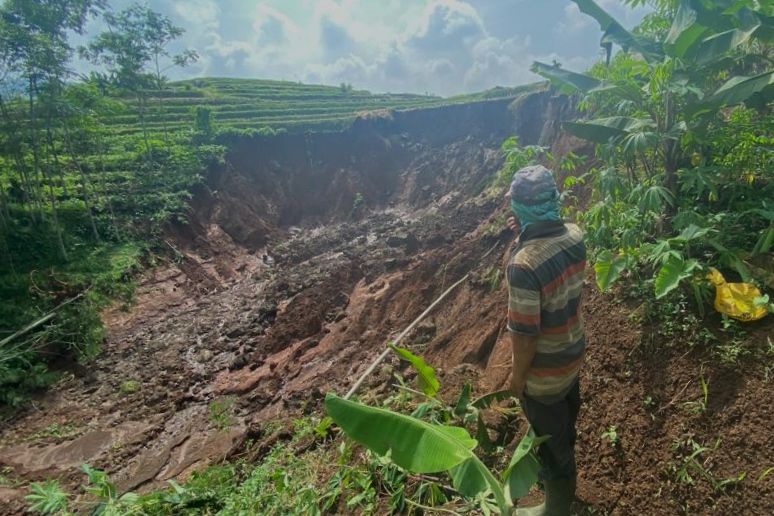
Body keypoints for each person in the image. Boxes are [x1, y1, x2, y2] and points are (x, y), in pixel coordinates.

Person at [504, 165, 587, 516]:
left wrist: (517, 378)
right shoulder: (574, 234)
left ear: (519, 208)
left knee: (551, 448)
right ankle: (565, 486)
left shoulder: (523, 266)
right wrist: (524, 233)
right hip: (572, 353)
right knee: (564, 425)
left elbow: (525, 336)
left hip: (544, 374)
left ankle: (556, 509)